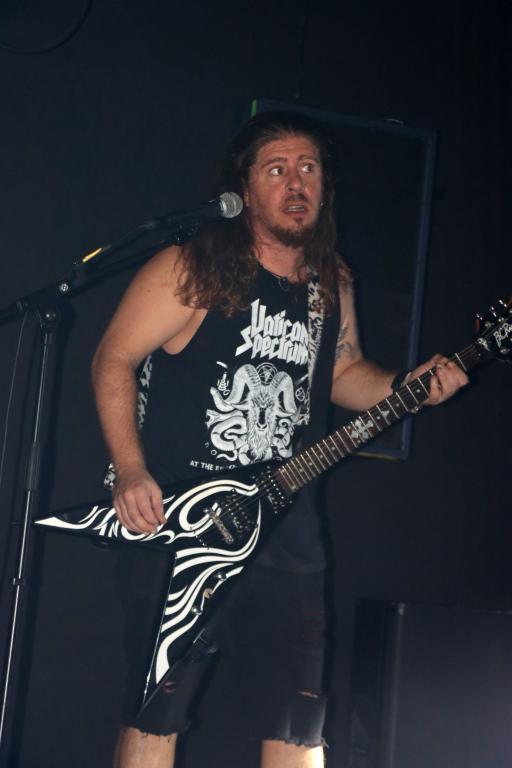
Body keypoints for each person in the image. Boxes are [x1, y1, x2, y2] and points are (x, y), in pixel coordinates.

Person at [91, 111, 468, 768]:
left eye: (308, 168)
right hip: (188, 525)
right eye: (277, 169)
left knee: (300, 722)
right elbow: (113, 357)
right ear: (245, 188)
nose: (296, 183)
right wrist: (130, 469)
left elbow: (343, 374)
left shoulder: (330, 282)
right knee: (157, 711)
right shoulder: (191, 267)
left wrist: (410, 385)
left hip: (289, 533)